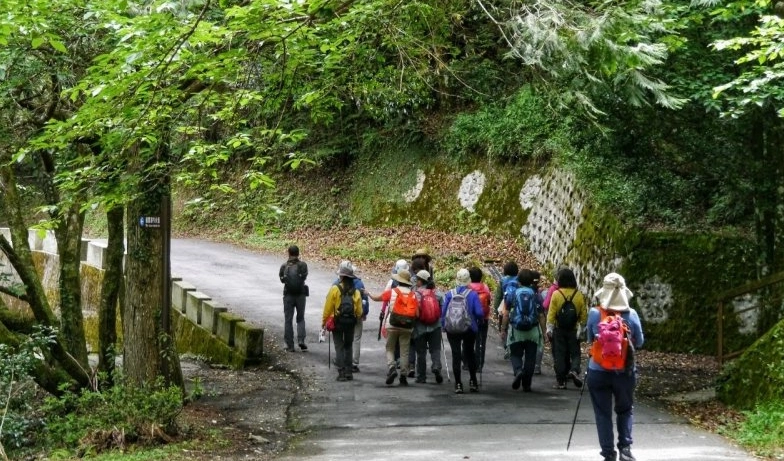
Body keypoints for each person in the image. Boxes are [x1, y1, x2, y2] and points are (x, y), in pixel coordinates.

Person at [586, 273, 644, 461]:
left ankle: (608, 453)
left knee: (602, 413)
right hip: (625, 371)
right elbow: (641, 342)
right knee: (625, 409)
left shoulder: (595, 313)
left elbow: (589, 339)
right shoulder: (632, 314)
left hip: (598, 370)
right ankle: (625, 449)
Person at [368, 269, 418, 386]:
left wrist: (368, 293)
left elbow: (377, 298)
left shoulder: (392, 291)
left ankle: (392, 367)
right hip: (407, 327)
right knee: (404, 351)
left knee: (390, 347)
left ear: (398, 280)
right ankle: (403, 377)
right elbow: (417, 313)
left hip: (392, 324)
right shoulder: (413, 294)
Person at [442, 268, 484, 394]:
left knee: (456, 355)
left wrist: (443, 325)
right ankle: (473, 381)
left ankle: (458, 384)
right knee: (469, 353)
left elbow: (443, 312)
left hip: (452, 329)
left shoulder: (450, 294)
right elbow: (479, 312)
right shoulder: (472, 294)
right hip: (469, 329)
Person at [501, 269, 543, 392]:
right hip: (532, 330)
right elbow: (540, 315)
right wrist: (544, 331)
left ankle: (518, 370)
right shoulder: (536, 295)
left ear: (518, 281)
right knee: (530, 357)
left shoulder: (513, 294)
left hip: (516, 330)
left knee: (515, 354)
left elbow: (506, 314)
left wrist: (503, 329)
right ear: (531, 281)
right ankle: (527, 384)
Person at [546, 267, 588, 389]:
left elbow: (551, 314)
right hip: (573, 329)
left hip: (559, 330)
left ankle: (561, 381)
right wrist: (581, 329)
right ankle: (574, 370)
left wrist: (549, 329)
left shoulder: (556, 294)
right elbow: (583, 316)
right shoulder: (579, 295)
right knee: (575, 353)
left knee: (560, 354)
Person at [322, 264, 363, 381]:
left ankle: (341, 372)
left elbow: (328, 307)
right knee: (348, 346)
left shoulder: (335, 289)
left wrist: (324, 322)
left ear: (341, 276)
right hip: (350, 322)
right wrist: (356, 318)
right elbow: (359, 311)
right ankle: (349, 372)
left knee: (339, 346)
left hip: (338, 321)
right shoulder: (356, 292)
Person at [332, 261, 369, 373]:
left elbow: (330, 302)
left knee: (340, 342)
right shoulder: (359, 284)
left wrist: (327, 320)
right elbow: (364, 300)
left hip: (339, 317)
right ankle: (354, 363)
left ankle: (341, 364)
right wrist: (363, 314)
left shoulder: (335, 285)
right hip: (355, 317)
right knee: (355, 340)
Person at [412, 270, 443, 384]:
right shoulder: (437, 294)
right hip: (435, 326)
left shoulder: (416, 294)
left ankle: (421, 376)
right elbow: (441, 310)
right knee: (435, 349)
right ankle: (436, 366)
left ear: (420, 281)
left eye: (417, 280)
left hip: (420, 327)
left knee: (421, 352)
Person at [278, 245, 308, 352]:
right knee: (300, 318)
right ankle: (301, 340)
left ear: (288, 253)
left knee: (288, 320)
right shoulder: (303, 265)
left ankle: (290, 345)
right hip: (301, 295)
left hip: (288, 295)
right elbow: (304, 277)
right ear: (298, 253)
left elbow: (282, 280)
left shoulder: (284, 266)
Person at [491, 261, 519, 357]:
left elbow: (498, 296)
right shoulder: (519, 279)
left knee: (503, 327)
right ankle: (515, 347)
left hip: (505, 305)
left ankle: (507, 347)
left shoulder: (503, 280)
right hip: (517, 306)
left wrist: (495, 309)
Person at [467, 266, 492, 373]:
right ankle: (479, 364)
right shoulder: (485, 287)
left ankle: (467, 362)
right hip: (483, 318)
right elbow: (489, 301)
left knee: (468, 341)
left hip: (469, 318)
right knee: (481, 341)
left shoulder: (467, 287)